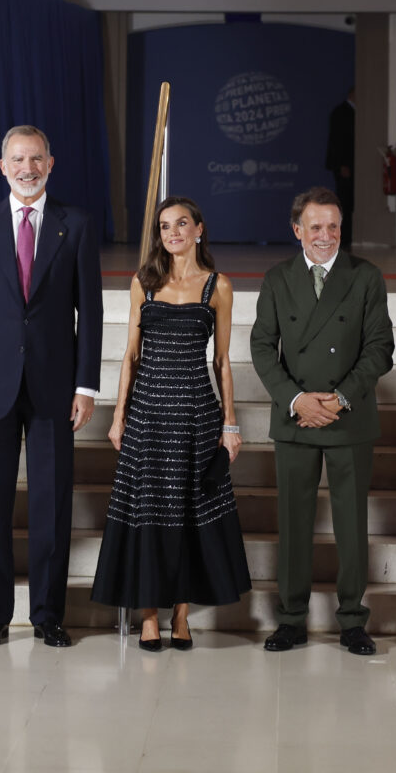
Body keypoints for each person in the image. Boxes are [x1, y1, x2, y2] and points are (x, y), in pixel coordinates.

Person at [0, 125, 103, 648]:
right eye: (18, 159)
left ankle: (47, 615)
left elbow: (91, 313)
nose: (27, 168)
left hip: (56, 384)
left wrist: (86, 384)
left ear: (51, 165)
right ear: (2, 166)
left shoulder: (74, 225)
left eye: (36, 159)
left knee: (51, 508)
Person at [92, 197, 252, 650]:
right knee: (147, 511)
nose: (174, 232)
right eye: (165, 226)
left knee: (186, 513)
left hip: (197, 414)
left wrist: (231, 424)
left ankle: (181, 614)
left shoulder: (217, 286)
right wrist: (119, 416)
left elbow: (222, 361)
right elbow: (131, 355)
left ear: (199, 228)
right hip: (147, 413)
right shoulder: (144, 281)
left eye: (182, 223)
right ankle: (148, 616)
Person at [251, 186, 394, 656]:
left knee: (351, 525)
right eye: (315, 226)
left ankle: (353, 621)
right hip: (295, 418)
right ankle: (291, 619)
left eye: (333, 226)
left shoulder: (366, 277)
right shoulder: (277, 279)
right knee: (294, 524)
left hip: (347, 417)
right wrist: (296, 400)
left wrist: (340, 398)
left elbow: (380, 349)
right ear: (297, 231)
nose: (325, 235)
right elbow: (261, 347)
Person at [324, 89, 356, 250]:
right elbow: (338, 141)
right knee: (344, 201)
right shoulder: (341, 113)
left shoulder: (352, 112)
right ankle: (343, 236)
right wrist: (342, 164)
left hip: (350, 164)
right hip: (343, 165)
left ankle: (347, 236)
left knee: (349, 201)